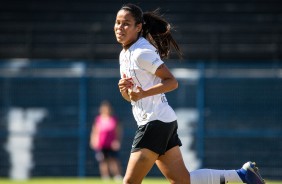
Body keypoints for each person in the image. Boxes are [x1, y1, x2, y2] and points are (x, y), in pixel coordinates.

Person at [115, 3, 265, 184]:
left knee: (129, 182)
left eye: (126, 24)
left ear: (138, 27)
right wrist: (126, 91)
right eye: (117, 23)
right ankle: (243, 175)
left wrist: (142, 94)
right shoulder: (126, 53)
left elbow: (172, 81)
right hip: (162, 120)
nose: (119, 28)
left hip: (154, 123)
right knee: (183, 181)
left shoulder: (140, 52)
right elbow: (133, 97)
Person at [90, 100, 123, 181]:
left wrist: (117, 141)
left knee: (113, 160)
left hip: (111, 144)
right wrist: (93, 140)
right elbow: (95, 131)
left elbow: (118, 131)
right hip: (101, 144)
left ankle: (117, 176)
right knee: (103, 161)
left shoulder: (114, 119)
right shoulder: (98, 119)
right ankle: (105, 177)